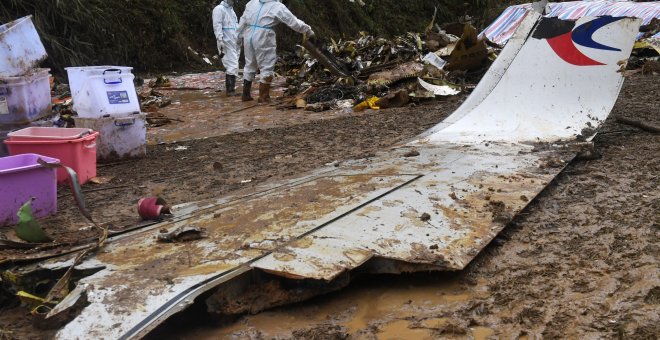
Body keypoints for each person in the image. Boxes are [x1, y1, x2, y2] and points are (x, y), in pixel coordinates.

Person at [237, 0, 315, 103]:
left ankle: (245, 94)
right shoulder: (276, 6)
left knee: (250, 64)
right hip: (263, 35)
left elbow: (243, 20)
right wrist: (308, 31)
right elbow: (293, 22)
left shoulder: (252, 2)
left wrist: (238, 36)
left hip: (249, 35)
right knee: (267, 65)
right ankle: (263, 97)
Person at [212, 0, 240, 96]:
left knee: (234, 65)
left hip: (234, 42)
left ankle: (231, 89)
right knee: (232, 65)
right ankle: (230, 91)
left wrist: (240, 39)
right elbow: (217, 25)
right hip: (226, 42)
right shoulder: (219, 9)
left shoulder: (231, 11)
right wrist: (220, 40)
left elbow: (236, 26)